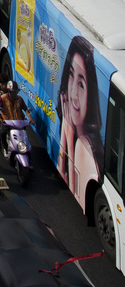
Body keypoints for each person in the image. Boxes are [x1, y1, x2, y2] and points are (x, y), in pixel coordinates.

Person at [57, 35, 104, 203]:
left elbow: (72, 188)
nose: (74, 94)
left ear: (91, 94)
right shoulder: (91, 138)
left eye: (82, 84)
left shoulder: (83, 145)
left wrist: (68, 136)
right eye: (71, 75)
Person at [0, 80, 32, 154]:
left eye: (16, 92)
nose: (15, 93)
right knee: (2, 133)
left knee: (24, 135)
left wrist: (30, 118)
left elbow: (25, 109)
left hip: (18, 122)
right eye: (13, 92)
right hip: (7, 122)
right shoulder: (3, 98)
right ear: (9, 91)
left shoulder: (19, 99)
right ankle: (5, 148)